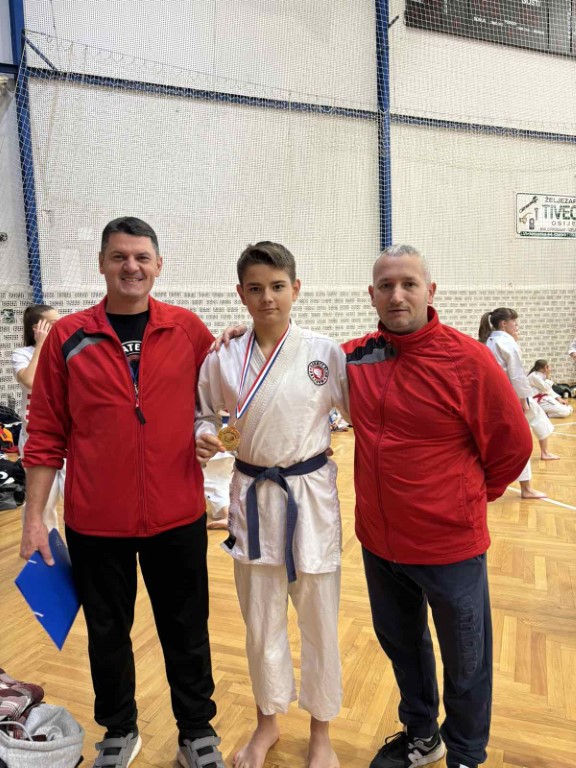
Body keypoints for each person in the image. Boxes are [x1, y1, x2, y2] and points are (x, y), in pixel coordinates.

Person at [19, 217, 224, 768]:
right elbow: (46, 433)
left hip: (177, 514)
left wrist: (236, 342)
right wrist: (34, 518)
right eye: (119, 257)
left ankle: (196, 730)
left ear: (159, 265)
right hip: (95, 520)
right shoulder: (68, 337)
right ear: (102, 264)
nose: (131, 267)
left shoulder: (188, 329)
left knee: (187, 628)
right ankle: (119, 729)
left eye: (141, 257)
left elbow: (218, 395)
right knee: (107, 632)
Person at [342, 245, 533, 768]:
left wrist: (465, 501)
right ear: (371, 295)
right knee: (403, 648)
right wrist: (246, 336)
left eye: (409, 284)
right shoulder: (356, 356)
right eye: (386, 286)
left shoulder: (468, 360)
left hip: (450, 546)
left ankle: (466, 754)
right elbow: (297, 360)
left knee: (466, 662)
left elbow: (513, 446)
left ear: (430, 291)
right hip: (380, 544)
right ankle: (422, 737)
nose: (397, 295)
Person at [195, 241, 349, 768]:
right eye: (256, 289)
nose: (268, 298)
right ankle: (267, 723)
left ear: (296, 289)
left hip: (309, 496)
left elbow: (361, 412)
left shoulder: (325, 352)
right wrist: (203, 435)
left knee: (319, 618)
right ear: (240, 293)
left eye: (278, 287)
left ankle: (322, 731)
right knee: (261, 621)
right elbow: (203, 412)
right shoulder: (223, 355)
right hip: (253, 497)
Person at [479, 307, 559, 499]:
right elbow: (516, 375)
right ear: (504, 323)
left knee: (538, 417)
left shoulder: (488, 340)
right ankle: (526, 488)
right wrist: (522, 401)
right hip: (510, 397)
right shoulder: (507, 342)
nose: (517, 327)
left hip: (496, 397)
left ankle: (544, 452)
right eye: (515, 323)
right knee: (520, 441)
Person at [11, 304, 64, 531]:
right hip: (36, 438)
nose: (60, 327)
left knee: (81, 498)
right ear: (38, 328)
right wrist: (42, 344)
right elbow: (30, 381)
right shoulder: (22, 354)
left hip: (68, 437)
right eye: (53, 324)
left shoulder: (64, 351)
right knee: (43, 504)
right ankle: (41, 549)